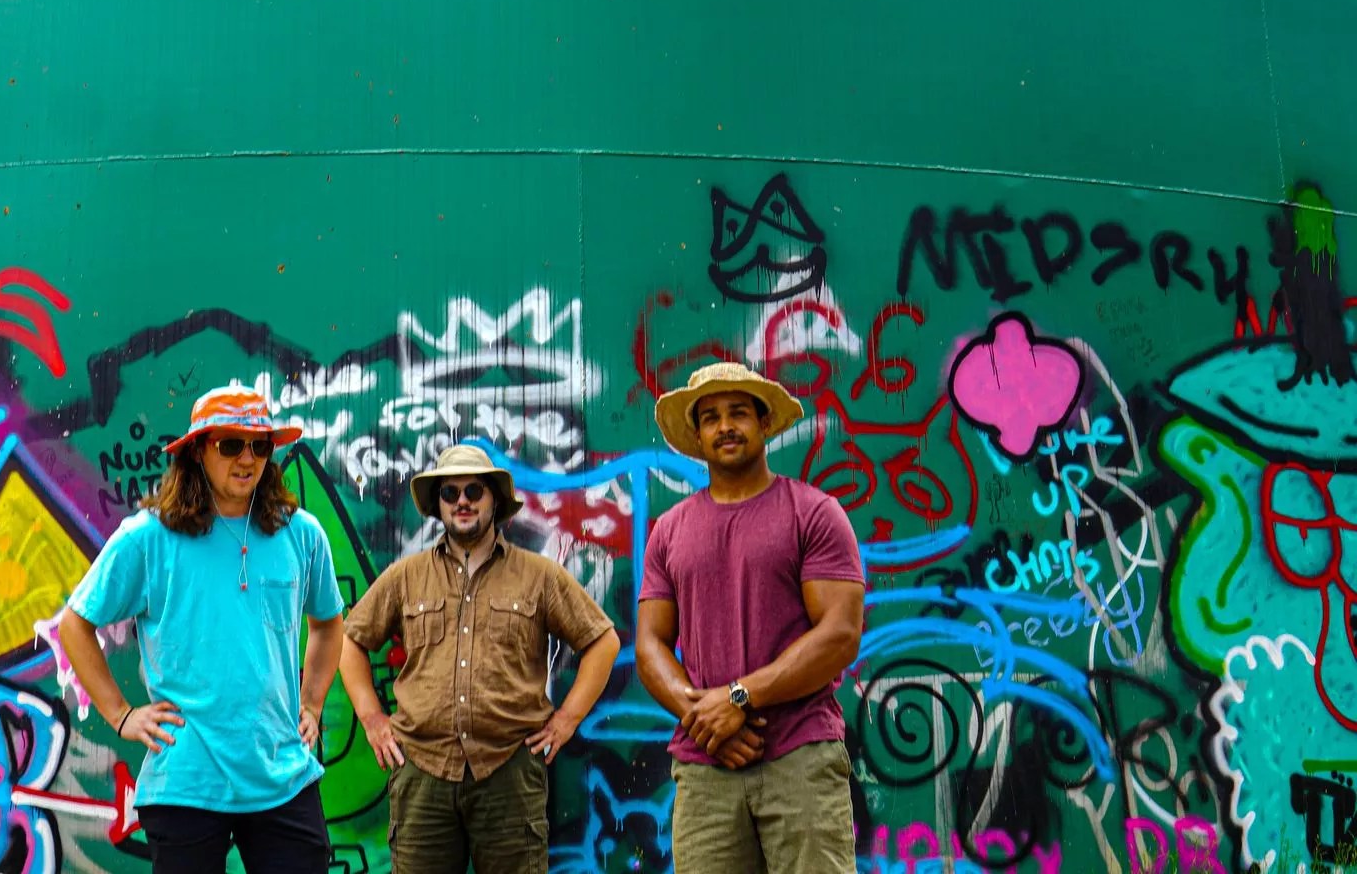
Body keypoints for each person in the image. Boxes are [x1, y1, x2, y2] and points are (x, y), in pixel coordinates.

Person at [58, 384, 346, 872]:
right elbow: (75, 625)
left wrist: (313, 703)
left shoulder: (301, 533)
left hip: (281, 774)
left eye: (260, 445)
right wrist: (122, 715)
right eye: (230, 444)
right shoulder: (150, 536)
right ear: (197, 451)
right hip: (186, 780)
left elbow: (328, 622)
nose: (247, 458)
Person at [338, 444, 619, 873]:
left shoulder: (538, 575)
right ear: (438, 506)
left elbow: (602, 641)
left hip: (509, 772)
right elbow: (350, 642)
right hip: (422, 774)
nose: (462, 501)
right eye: (450, 494)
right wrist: (373, 720)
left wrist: (566, 720)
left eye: (474, 490)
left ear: (494, 501)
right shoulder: (405, 576)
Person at [634, 361, 866, 872]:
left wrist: (739, 697)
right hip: (706, 766)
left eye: (738, 412)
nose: (726, 427)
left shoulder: (813, 512)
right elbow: (650, 645)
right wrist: (705, 718)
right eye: (711, 417)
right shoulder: (669, 530)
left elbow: (840, 635)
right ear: (697, 434)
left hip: (800, 755)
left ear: (764, 424)